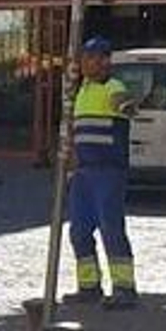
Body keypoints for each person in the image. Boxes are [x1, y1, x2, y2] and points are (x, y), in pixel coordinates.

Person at [65, 36, 140, 309]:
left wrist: (127, 104)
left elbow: (129, 106)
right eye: (85, 58)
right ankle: (89, 286)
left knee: (111, 228)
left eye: (94, 58)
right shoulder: (81, 91)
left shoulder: (114, 87)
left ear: (107, 61)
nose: (87, 63)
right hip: (83, 173)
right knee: (79, 231)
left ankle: (124, 288)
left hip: (108, 171)